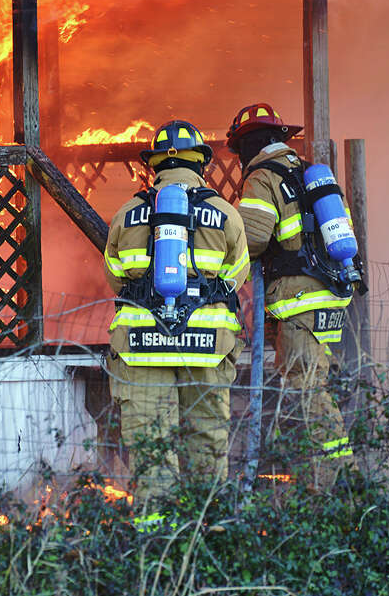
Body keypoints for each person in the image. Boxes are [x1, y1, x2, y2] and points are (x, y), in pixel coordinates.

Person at [104, 119, 249, 508]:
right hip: (206, 347)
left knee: (151, 444)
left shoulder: (127, 213)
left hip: (142, 347)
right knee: (208, 441)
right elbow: (237, 274)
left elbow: (116, 276)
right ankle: (208, 530)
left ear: (154, 166)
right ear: (201, 163)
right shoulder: (225, 213)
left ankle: (157, 542)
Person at [226, 103, 362, 489]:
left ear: (248, 146)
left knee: (308, 392)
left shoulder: (262, 178)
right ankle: (322, 474)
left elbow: (251, 238)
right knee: (313, 383)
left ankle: (337, 481)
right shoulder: (310, 175)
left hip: (300, 300)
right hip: (329, 293)